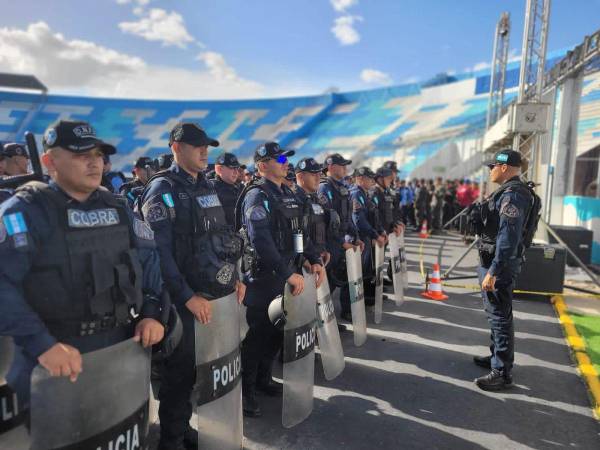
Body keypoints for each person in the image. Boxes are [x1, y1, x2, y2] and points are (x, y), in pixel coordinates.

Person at [0, 120, 165, 412]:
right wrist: (42, 344)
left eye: (98, 155)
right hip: (55, 362)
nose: (94, 163)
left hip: (118, 352)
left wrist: (152, 314)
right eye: (81, 155)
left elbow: (148, 262)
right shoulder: (25, 212)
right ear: (50, 161)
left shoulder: (117, 209)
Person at [140, 122, 245, 449]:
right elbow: (160, 253)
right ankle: (170, 440)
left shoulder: (205, 187)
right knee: (178, 376)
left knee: (197, 372)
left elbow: (221, 240)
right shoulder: (163, 190)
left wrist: (235, 276)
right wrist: (186, 297)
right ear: (175, 147)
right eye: (196, 145)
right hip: (181, 302)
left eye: (206, 146)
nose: (204, 151)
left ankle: (182, 428)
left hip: (212, 296)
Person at [237, 141, 324, 417]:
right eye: (279, 160)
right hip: (266, 279)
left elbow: (298, 233)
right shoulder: (257, 195)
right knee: (259, 335)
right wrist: (288, 273)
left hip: (288, 276)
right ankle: (244, 392)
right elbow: (261, 241)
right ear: (263, 166)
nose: (286, 163)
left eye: (286, 159)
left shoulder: (287, 194)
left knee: (277, 331)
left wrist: (312, 259)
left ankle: (264, 379)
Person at [470, 149, 535, 391]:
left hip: (500, 265)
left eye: (493, 166)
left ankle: (502, 372)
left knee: (499, 317)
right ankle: (496, 358)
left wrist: (493, 271)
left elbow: (508, 238)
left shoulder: (513, 195)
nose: (490, 170)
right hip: (495, 262)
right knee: (496, 314)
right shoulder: (509, 192)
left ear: (504, 167)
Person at [318, 154, 363, 322]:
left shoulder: (342, 187)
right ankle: (320, 329)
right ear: (330, 167)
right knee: (325, 288)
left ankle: (330, 322)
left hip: (341, 243)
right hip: (330, 244)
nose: (345, 168)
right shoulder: (324, 188)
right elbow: (325, 222)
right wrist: (342, 242)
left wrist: (355, 236)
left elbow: (347, 217)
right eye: (341, 165)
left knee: (340, 281)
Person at [350, 167, 386, 302]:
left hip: (365, 237)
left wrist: (378, 232)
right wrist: (375, 235)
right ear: (359, 179)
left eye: (373, 178)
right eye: (370, 178)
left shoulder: (364, 193)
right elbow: (359, 220)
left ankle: (363, 299)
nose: (373, 181)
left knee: (364, 271)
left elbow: (373, 216)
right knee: (356, 273)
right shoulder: (356, 194)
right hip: (359, 237)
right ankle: (351, 307)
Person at [295, 157, 331, 267]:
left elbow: (319, 227)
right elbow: (296, 236)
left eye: (319, 174)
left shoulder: (315, 199)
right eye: (313, 174)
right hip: (304, 264)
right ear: (301, 177)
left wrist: (323, 249)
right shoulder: (295, 201)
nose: (318, 178)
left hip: (317, 259)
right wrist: (305, 259)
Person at [212, 152, 242, 225]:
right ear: (219, 169)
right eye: (232, 168)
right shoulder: (211, 190)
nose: (236, 172)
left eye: (237, 168)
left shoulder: (241, 188)